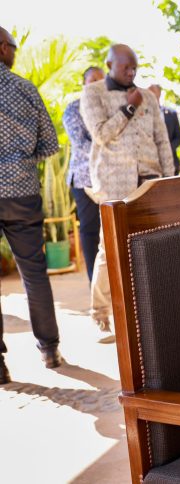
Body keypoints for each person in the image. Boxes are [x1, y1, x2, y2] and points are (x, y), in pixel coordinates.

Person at [80, 44, 175, 343]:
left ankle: (149, 311)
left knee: (152, 246)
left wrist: (168, 180)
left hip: (150, 180)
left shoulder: (148, 96)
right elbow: (100, 134)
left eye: (134, 68)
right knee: (110, 249)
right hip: (114, 183)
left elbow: (162, 140)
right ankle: (101, 314)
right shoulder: (92, 93)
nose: (131, 73)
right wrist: (128, 108)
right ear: (110, 64)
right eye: (126, 68)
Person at [0, 26, 64, 383]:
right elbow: (49, 145)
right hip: (22, 192)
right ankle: (50, 350)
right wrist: (20, 162)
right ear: (1, 48)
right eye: (13, 47)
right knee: (34, 275)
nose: (15, 52)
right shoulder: (25, 89)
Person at [63, 66, 105, 282]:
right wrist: (111, 153)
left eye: (101, 80)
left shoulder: (111, 107)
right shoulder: (73, 109)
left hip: (110, 179)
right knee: (90, 231)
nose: (97, 84)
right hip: (84, 179)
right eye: (93, 80)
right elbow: (80, 143)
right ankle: (93, 283)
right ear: (84, 84)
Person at [147, 84, 180, 175]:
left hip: (171, 162)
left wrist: (166, 149)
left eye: (153, 92)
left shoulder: (171, 113)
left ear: (159, 93)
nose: (150, 95)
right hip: (150, 164)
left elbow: (178, 137)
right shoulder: (141, 115)